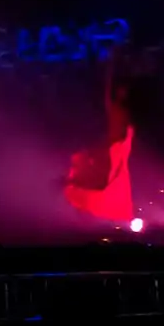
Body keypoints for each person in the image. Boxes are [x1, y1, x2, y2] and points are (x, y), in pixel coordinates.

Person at [64, 51, 134, 223]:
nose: (122, 93)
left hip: (119, 144)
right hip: (115, 145)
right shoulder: (114, 107)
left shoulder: (125, 110)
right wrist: (110, 69)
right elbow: (107, 95)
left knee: (116, 178)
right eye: (120, 91)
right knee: (113, 178)